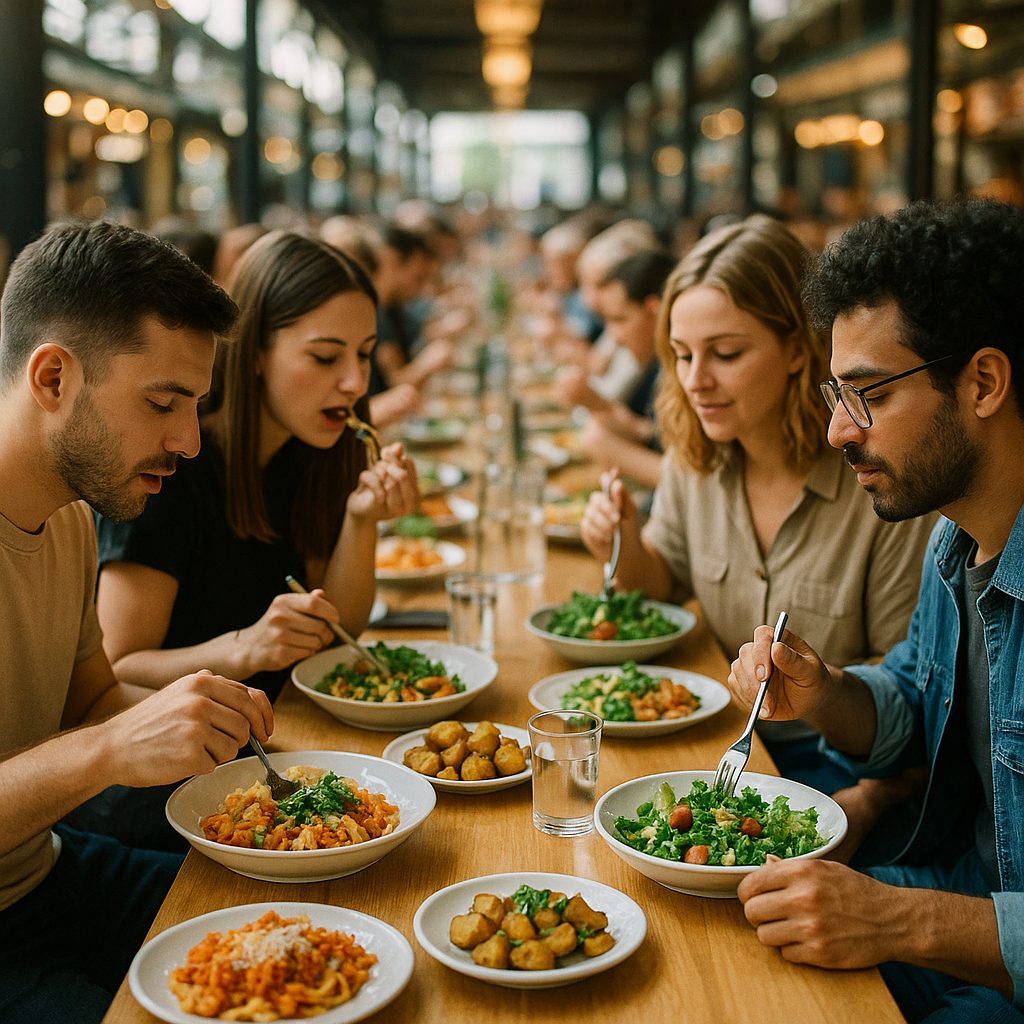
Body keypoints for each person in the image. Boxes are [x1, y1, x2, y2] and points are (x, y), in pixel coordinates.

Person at [727, 198, 1024, 1023]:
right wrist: (822, 693)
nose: (835, 431)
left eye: (868, 396)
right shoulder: (954, 541)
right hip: (954, 890)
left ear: (984, 382)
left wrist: (898, 919)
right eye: (834, 395)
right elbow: (910, 713)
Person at [0, 220, 274, 1023]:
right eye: (163, 402)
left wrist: (195, 713)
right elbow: (99, 738)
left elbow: (91, 705)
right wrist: (113, 748)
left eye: (194, 406)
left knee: (325, 921)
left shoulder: (73, 517)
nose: (187, 440)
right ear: (53, 377)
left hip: (47, 872)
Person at [80, 231, 418, 851]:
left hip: (270, 755)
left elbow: (342, 626)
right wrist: (245, 647)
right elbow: (118, 670)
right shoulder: (170, 468)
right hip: (164, 791)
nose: (353, 381)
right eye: (325, 357)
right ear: (256, 350)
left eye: (366, 355)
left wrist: (362, 519)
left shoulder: (317, 451)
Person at [581, 214, 936, 793]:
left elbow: (909, 711)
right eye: (681, 355)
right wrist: (620, 541)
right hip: (714, 740)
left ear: (797, 350)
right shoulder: (696, 454)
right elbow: (663, 583)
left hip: (841, 775)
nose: (696, 381)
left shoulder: (879, 477)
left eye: (723, 353)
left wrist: (860, 816)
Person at [556, 248, 676, 489]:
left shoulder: (683, 370)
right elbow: (651, 434)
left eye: (620, 319)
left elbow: (693, 482)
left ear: (654, 311)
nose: (614, 338)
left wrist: (605, 443)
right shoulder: (656, 366)